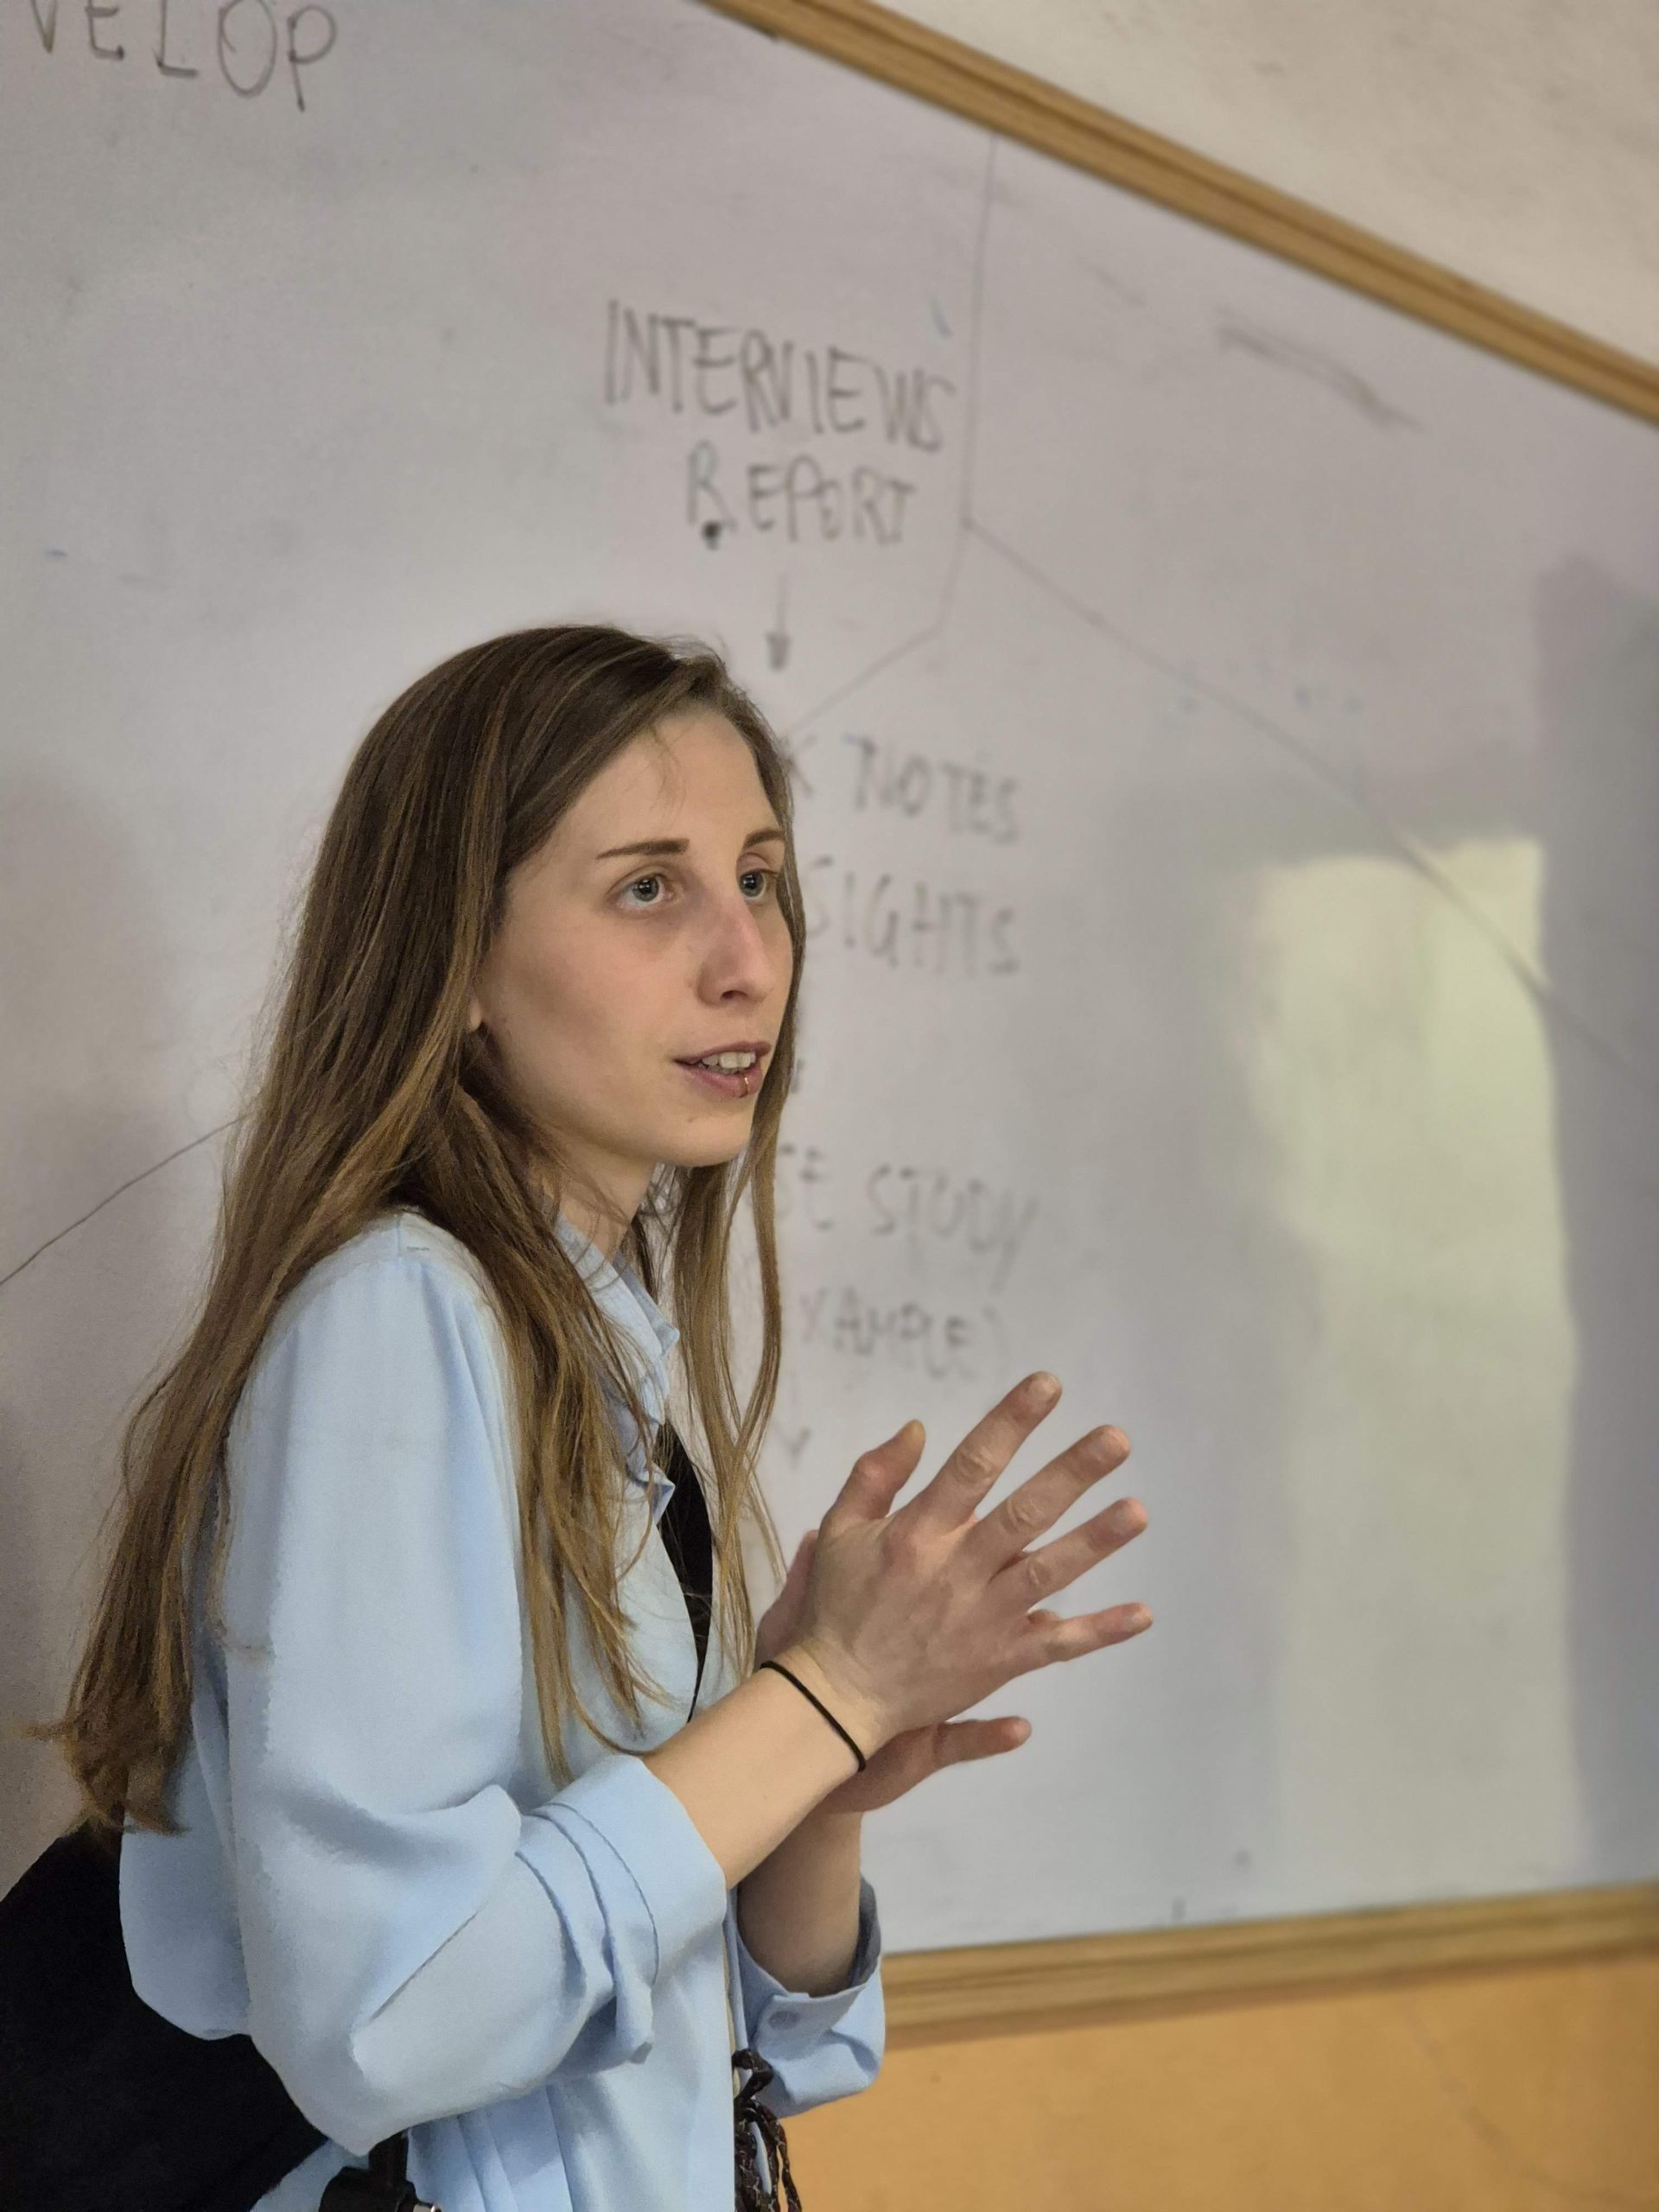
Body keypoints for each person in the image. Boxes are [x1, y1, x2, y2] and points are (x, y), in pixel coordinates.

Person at [34, 623, 1151, 2209]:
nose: (745, 957)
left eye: (759, 879)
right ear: (459, 964)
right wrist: (821, 1696)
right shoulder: (401, 1316)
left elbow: (758, 2049)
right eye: (649, 887)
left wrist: (811, 1794)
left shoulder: (591, 1342)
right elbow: (390, 2020)